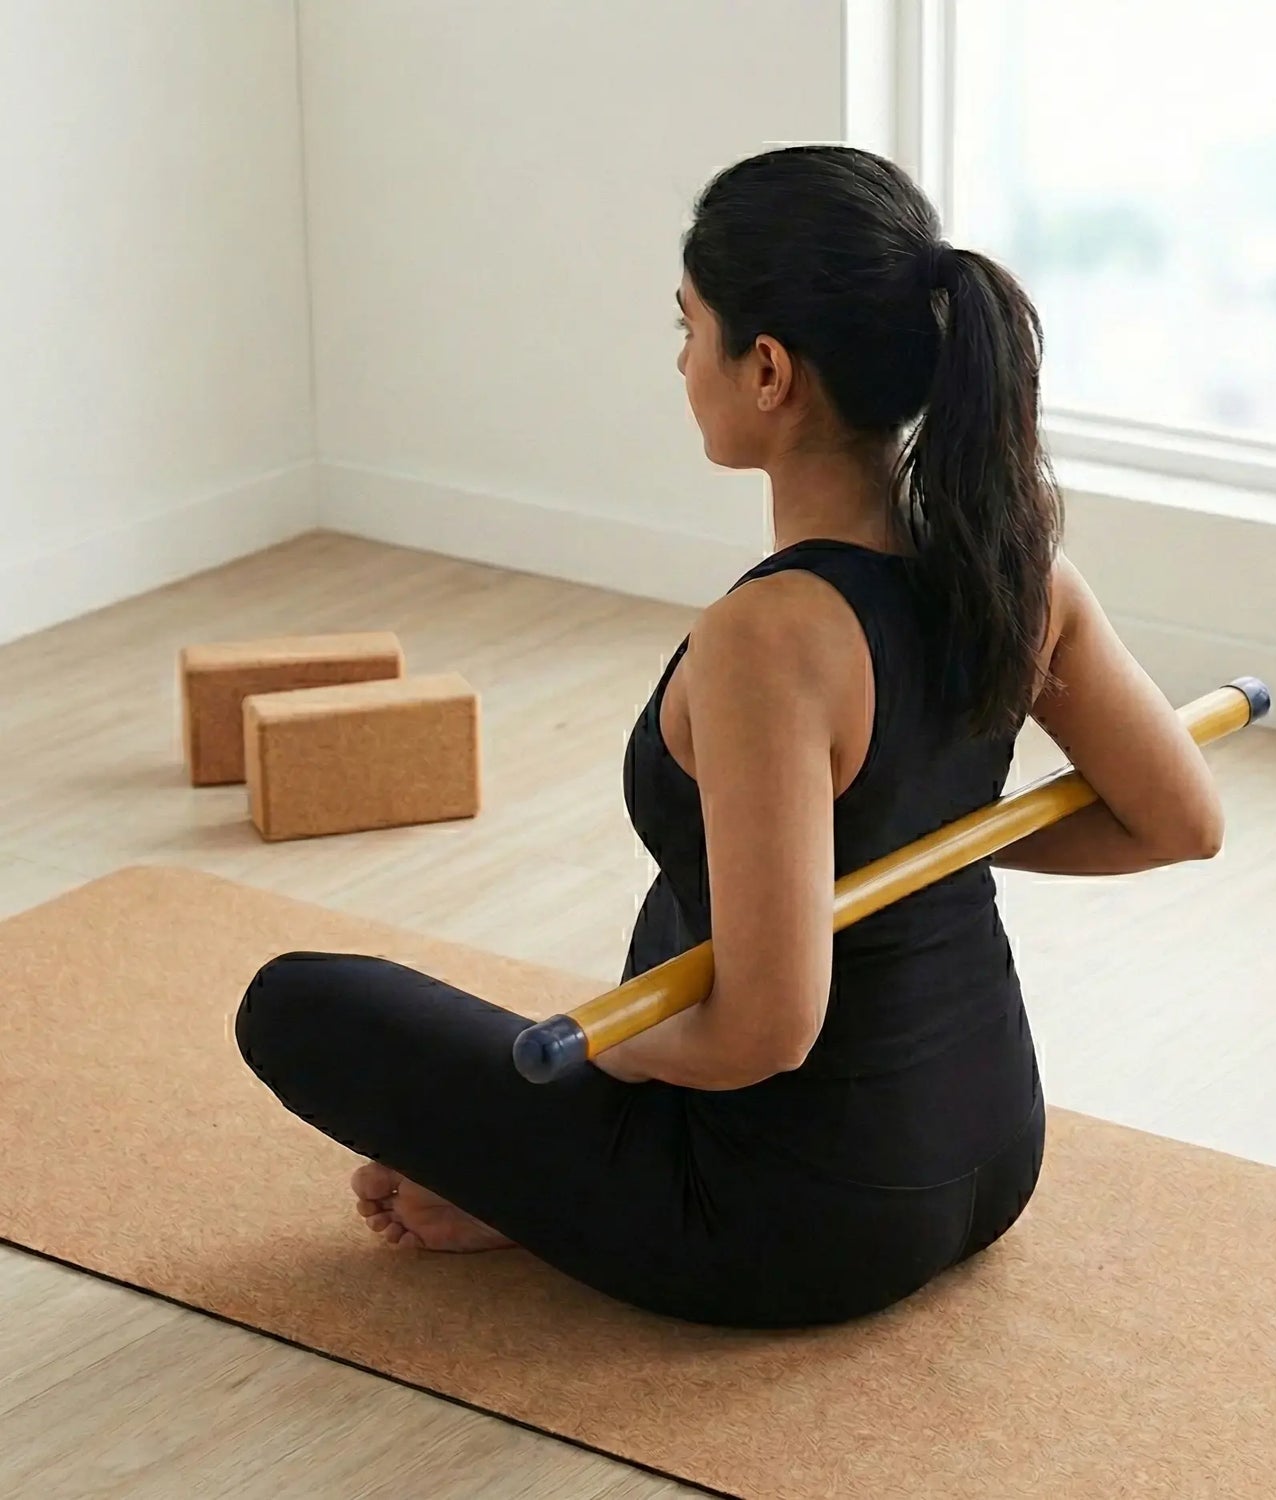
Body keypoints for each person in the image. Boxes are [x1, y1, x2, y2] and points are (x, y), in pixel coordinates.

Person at [235, 145, 1225, 1329]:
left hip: (799, 1221)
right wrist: (930, 831)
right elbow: (1181, 820)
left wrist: (596, 1059)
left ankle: (536, 1183)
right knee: (684, 934)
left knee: (295, 1002)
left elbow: (763, 1030)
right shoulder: (1018, 570)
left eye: (688, 326)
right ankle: (538, 1177)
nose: (680, 360)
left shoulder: (771, 641)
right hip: (994, 1148)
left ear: (766, 369)